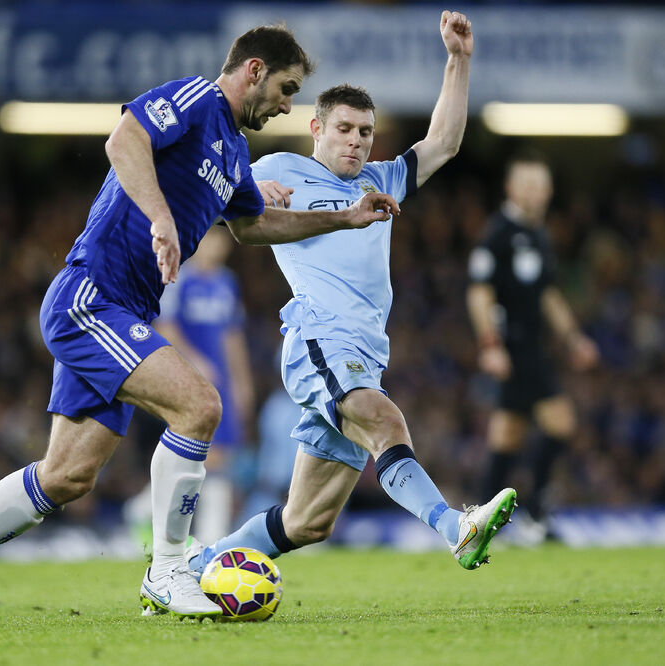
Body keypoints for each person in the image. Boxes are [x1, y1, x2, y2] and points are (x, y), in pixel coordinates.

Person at [0, 24, 402, 628]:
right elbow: (124, 140)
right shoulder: (196, 99)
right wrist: (161, 218)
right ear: (254, 70)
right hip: (92, 297)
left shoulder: (233, 152)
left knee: (67, 476)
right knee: (199, 406)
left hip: (122, 311)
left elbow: (254, 225)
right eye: (287, 88)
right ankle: (167, 570)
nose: (288, 104)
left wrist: (344, 218)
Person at [188, 11, 517, 578]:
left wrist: (459, 61)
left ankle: (193, 569)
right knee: (386, 423)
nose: (357, 142)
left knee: (306, 522)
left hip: (364, 352)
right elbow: (214, 198)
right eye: (344, 129)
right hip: (318, 338)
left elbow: (442, 142)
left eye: (365, 132)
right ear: (317, 129)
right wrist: (232, 197)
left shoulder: (380, 181)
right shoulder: (279, 168)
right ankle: (453, 527)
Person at [466, 151, 599, 543]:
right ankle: (534, 515)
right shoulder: (499, 233)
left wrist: (573, 338)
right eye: (527, 184)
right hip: (514, 348)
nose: (535, 192)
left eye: (541, 185)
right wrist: (490, 344)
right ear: (510, 188)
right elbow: (479, 292)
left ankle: (476, 523)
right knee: (561, 423)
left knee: (507, 436)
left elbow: (547, 294)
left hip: (531, 348)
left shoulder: (539, 234)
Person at [125, 226, 255, 546]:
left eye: (224, 238)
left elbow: (232, 335)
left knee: (218, 457)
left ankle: (148, 511)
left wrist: (242, 381)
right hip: (188, 378)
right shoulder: (180, 277)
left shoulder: (227, 282)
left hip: (221, 381)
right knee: (206, 456)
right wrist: (196, 362)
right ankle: (211, 538)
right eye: (212, 236)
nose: (218, 244)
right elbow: (165, 327)